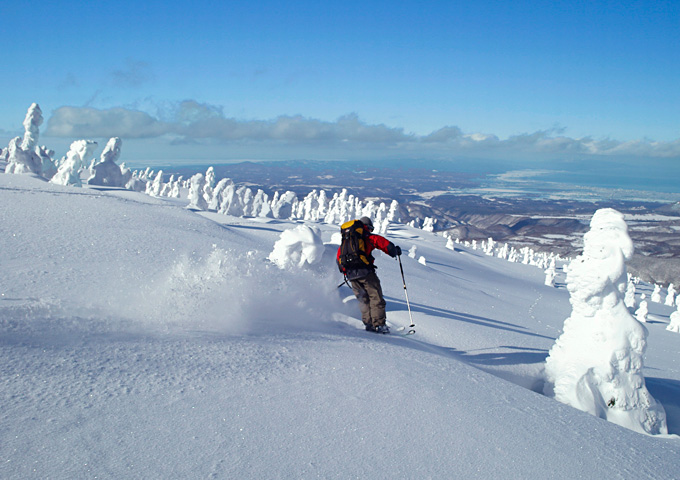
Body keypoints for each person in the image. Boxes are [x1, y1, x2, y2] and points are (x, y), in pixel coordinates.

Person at [337, 216, 402, 333]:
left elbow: (339, 259)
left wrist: (347, 271)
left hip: (351, 275)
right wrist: (395, 251)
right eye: (370, 229)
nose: (371, 231)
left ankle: (369, 324)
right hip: (366, 273)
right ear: (367, 227)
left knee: (363, 300)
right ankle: (379, 325)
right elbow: (384, 244)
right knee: (376, 298)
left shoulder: (346, 241)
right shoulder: (367, 236)